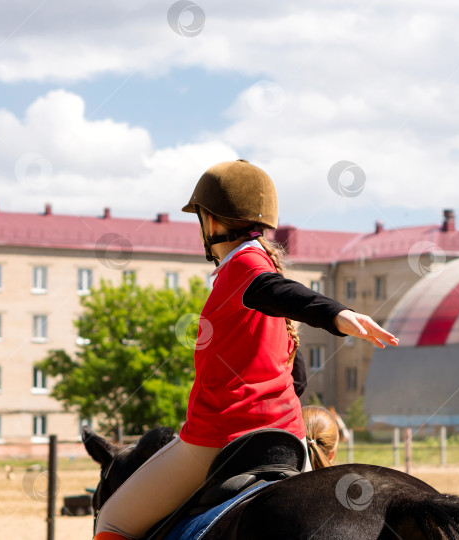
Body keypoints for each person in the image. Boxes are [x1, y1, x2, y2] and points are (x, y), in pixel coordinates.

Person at [94, 159, 399, 540]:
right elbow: (297, 377)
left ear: (213, 222)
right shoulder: (265, 265)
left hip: (220, 438)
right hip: (288, 441)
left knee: (112, 522)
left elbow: (277, 293)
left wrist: (337, 314)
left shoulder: (244, 267)